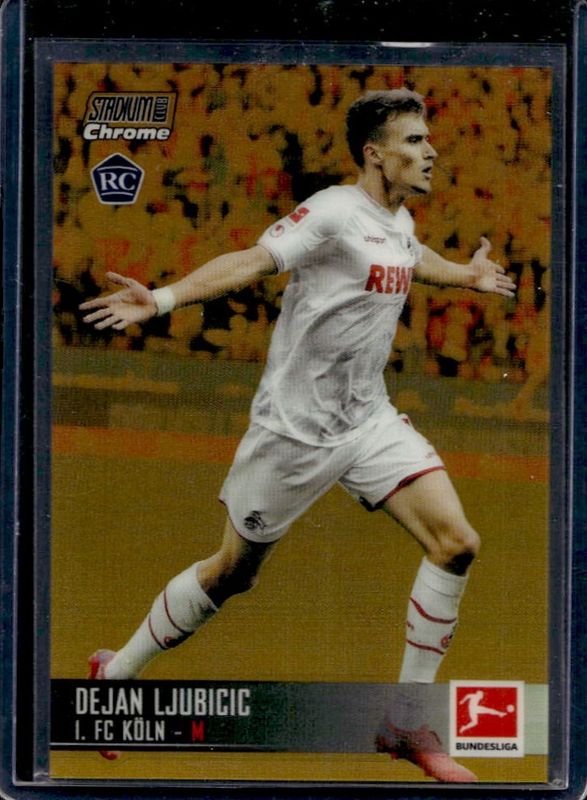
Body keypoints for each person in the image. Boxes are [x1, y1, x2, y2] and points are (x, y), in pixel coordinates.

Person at [80, 88, 516, 781]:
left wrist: (464, 275)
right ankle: (117, 672)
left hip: (367, 420)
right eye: (413, 140)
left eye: (428, 138)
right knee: (232, 574)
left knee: (456, 542)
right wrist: (161, 298)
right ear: (374, 154)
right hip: (293, 432)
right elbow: (253, 260)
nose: (430, 151)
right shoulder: (333, 212)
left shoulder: (397, 219)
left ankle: (405, 722)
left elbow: (411, 254)